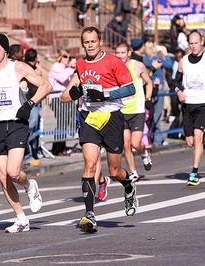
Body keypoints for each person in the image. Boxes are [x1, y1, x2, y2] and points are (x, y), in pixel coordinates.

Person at [0, 33, 52, 233]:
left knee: (14, 172)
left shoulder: (17, 67)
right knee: (2, 177)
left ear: (5, 50)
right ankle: (21, 218)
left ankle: (29, 185)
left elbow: (46, 86)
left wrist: (30, 104)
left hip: (16, 124)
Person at [64, 26, 138, 232]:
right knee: (89, 163)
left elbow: (130, 88)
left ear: (100, 42)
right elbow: (81, 86)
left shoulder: (114, 61)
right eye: (86, 42)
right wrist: (77, 92)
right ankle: (89, 214)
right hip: (89, 116)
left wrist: (105, 95)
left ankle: (129, 186)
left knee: (114, 171)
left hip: (112, 117)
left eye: (93, 41)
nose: (89, 45)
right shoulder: (80, 64)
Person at [173, 31, 205, 186]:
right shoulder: (183, 61)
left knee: (197, 138)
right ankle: (201, 143)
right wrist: (179, 91)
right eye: (191, 44)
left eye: (196, 43)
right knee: (190, 143)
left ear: (202, 42)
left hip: (203, 103)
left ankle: (194, 173)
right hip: (187, 104)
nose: (194, 46)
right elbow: (175, 81)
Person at [115, 42, 153, 182]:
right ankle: (133, 172)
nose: (120, 56)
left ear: (129, 53)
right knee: (126, 144)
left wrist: (148, 97)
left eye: (122, 53)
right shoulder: (115, 67)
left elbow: (149, 82)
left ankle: (144, 153)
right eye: (117, 53)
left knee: (136, 143)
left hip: (137, 110)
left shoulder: (137, 66)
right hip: (121, 110)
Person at [48, 49, 76, 156]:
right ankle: (57, 148)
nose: (67, 59)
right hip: (56, 98)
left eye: (69, 57)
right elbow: (62, 78)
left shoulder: (66, 68)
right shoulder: (56, 66)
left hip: (64, 98)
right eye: (65, 56)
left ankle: (62, 147)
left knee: (65, 122)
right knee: (61, 122)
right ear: (60, 56)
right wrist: (72, 68)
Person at [22, 48, 42, 167]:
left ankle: (33, 153)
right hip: (30, 102)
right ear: (35, 58)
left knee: (34, 130)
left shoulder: (34, 69)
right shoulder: (27, 69)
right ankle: (27, 155)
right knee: (29, 129)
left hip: (35, 102)